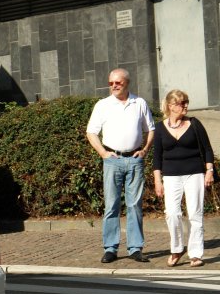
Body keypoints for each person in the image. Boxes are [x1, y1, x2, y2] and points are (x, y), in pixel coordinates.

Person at [85, 68, 155, 263]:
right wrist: (103, 153)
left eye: (118, 82)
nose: (114, 86)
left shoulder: (139, 103)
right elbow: (91, 132)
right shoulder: (103, 105)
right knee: (111, 205)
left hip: (134, 159)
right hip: (112, 161)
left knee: (135, 206)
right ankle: (110, 248)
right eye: (111, 83)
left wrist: (145, 150)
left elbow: (151, 129)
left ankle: (135, 248)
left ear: (127, 83)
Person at [152, 90, 214, 268]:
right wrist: (158, 180)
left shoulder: (194, 124)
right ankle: (177, 248)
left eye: (186, 102)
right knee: (172, 214)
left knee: (195, 213)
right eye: (181, 103)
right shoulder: (160, 128)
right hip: (171, 176)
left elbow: (207, 149)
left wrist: (209, 170)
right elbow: (157, 157)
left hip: (194, 173)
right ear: (171, 106)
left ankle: (195, 254)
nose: (185, 105)